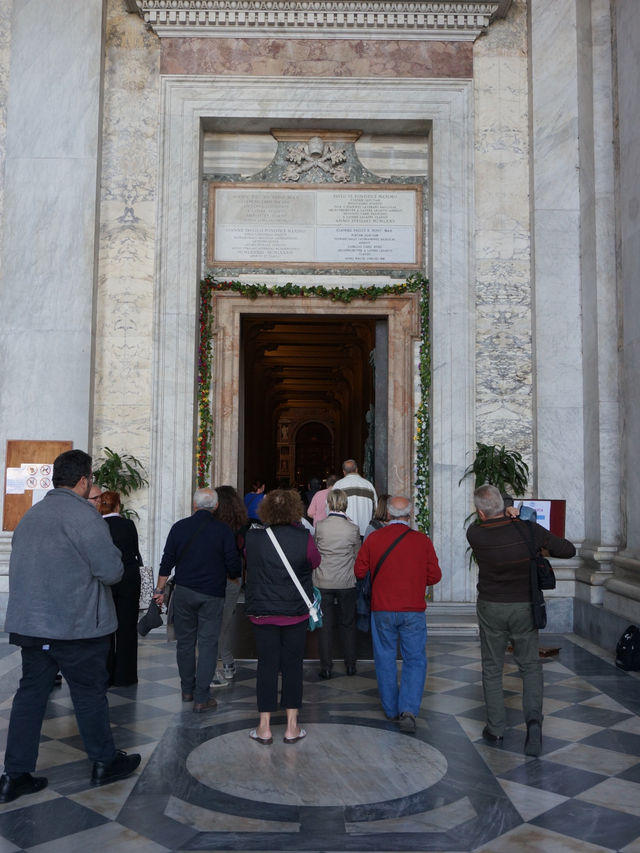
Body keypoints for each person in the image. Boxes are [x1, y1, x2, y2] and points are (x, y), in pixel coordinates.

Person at [0, 450, 141, 804]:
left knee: (30, 697)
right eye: (91, 479)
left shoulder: (32, 516)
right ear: (83, 482)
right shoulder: (85, 516)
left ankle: (14, 775)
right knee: (89, 695)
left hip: (34, 627)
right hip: (76, 627)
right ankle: (104, 762)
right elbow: (111, 571)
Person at [467, 483, 576, 756]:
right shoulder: (527, 529)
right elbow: (568, 549)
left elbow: (488, 521)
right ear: (504, 506)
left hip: (491, 605)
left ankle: (496, 729)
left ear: (480, 513)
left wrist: (504, 514)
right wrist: (537, 547)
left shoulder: (475, 533)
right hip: (524, 606)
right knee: (529, 666)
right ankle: (534, 724)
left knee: (492, 667)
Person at [354, 496, 442, 733]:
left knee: (384, 657)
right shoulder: (422, 541)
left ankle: (391, 709)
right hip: (412, 609)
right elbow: (435, 576)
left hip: (382, 607)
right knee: (415, 659)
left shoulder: (375, 539)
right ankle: (409, 710)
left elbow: (359, 570)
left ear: (389, 515)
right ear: (409, 515)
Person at [153, 488, 241, 713]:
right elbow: (233, 563)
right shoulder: (223, 530)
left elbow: (167, 561)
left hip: (184, 593)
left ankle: (187, 691)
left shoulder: (179, 528)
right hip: (212, 594)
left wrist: (159, 589)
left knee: (185, 643)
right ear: (216, 507)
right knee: (208, 643)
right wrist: (231, 575)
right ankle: (202, 697)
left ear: (194, 506)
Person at [244, 489, 321, 744]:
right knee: (292, 666)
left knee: (266, 666)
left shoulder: (252, 539)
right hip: (294, 612)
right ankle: (291, 727)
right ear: (294, 510)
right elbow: (314, 561)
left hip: (263, 612)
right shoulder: (303, 537)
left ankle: (264, 728)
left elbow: (249, 560)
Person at [313, 489, 361, 679]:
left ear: (330, 504)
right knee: (348, 624)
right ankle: (350, 665)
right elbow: (357, 555)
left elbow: (316, 551)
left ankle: (326, 667)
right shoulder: (353, 528)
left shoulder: (321, 526)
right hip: (346, 581)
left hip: (323, 580)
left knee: (325, 626)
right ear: (345, 504)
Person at [98, 490, 143, 686]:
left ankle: (105, 674)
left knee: (106, 629)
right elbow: (134, 550)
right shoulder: (127, 524)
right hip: (128, 578)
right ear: (118, 506)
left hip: (105, 579)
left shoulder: (98, 525)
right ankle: (126, 676)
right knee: (127, 628)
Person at [210, 485, 249, 685]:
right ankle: (225, 663)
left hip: (212, 576)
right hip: (232, 577)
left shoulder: (212, 525)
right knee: (224, 623)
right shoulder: (240, 524)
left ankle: (221, 663)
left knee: (213, 623)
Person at [333, 459, 377, 538]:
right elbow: (376, 509)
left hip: (344, 532)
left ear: (344, 472)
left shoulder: (338, 485)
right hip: (365, 532)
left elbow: (330, 508)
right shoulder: (369, 485)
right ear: (357, 469)